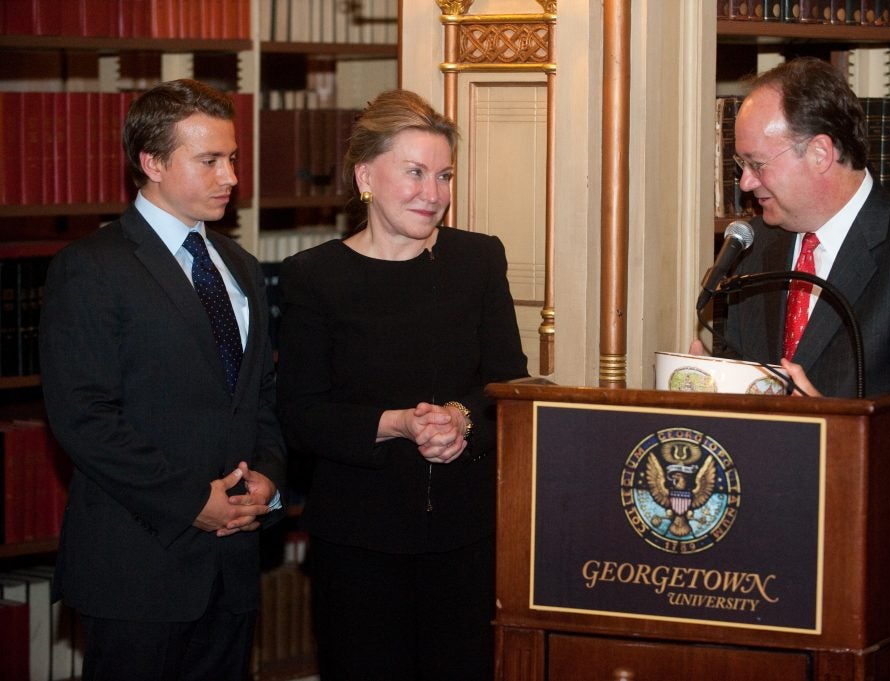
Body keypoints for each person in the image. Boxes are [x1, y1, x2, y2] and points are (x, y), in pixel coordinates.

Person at [693, 56, 890, 621]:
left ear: (821, 152)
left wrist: (844, 421)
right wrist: (717, 380)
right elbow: (754, 375)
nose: (745, 183)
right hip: (768, 556)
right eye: (741, 165)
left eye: (756, 163)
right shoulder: (756, 249)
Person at [275, 88, 529, 680]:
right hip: (358, 543)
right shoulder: (314, 276)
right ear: (366, 175)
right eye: (414, 172)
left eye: (443, 175)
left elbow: (509, 387)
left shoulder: (478, 260)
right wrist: (399, 424)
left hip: (468, 539)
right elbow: (301, 415)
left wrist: (462, 420)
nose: (433, 194)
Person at [39, 78, 286, 681]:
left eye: (231, 158)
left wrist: (269, 482)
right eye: (209, 161)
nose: (229, 176)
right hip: (137, 566)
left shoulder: (242, 267)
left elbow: (260, 400)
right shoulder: (91, 268)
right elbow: (84, 416)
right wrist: (189, 502)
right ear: (150, 162)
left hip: (232, 567)